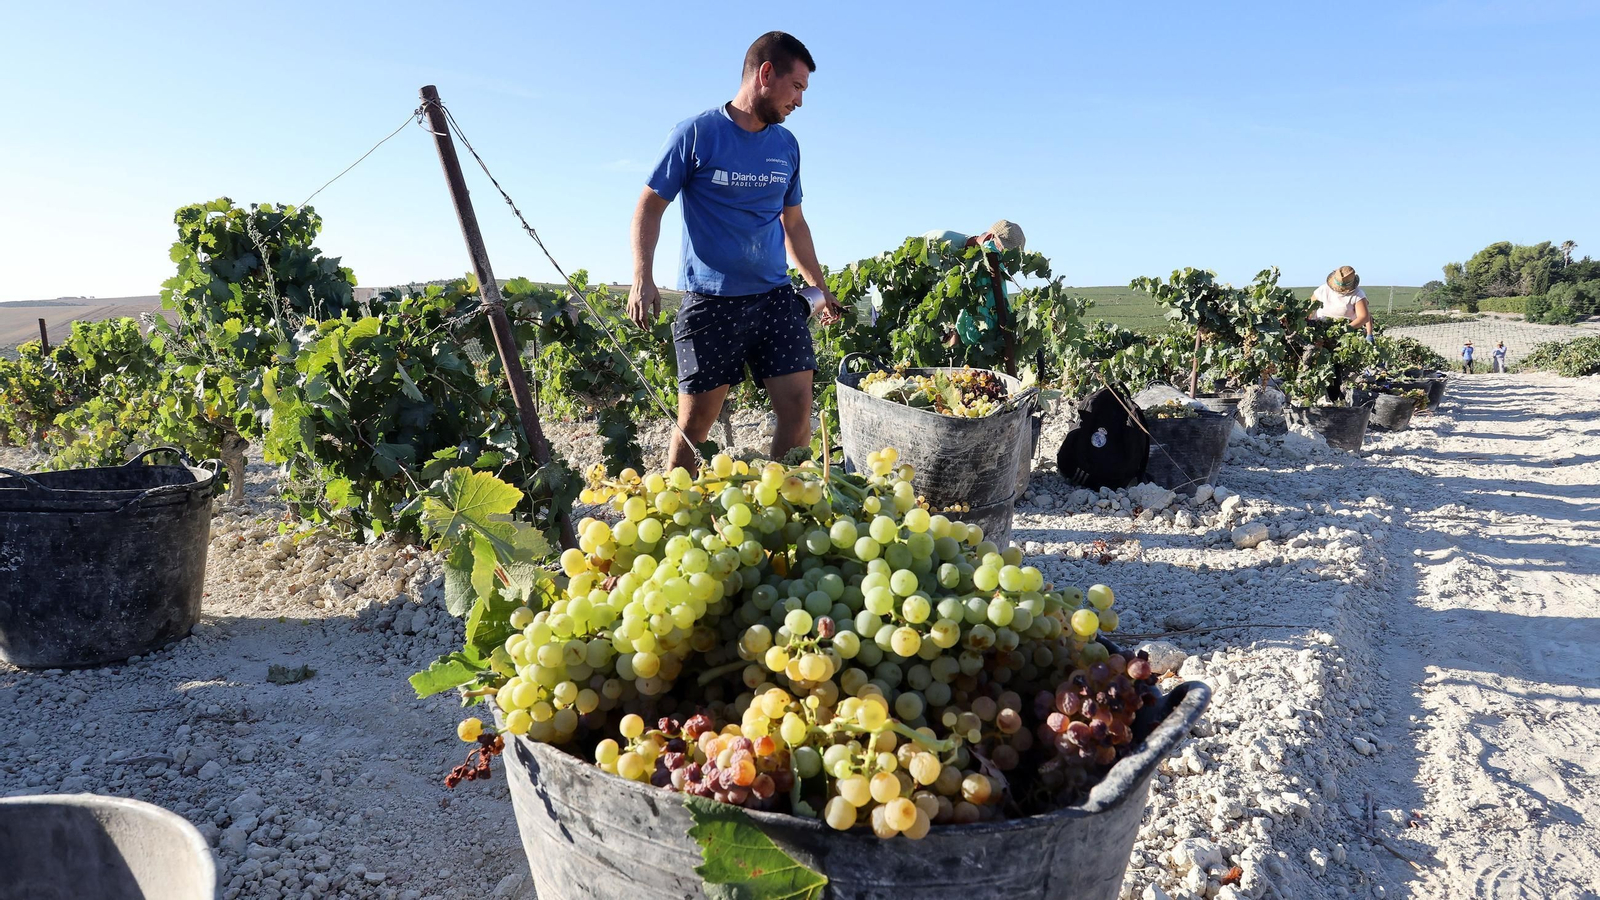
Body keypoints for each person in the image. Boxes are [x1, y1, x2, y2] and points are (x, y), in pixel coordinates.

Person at [627, 32, 842, 473]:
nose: (799, 101)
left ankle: (783, 504)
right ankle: (677, 511)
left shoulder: (786, 146)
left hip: (775, 297)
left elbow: (794, 224)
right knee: (696, 421)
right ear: (766, 74)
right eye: (797, 87)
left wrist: (818, 285)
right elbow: (649, 207)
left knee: (799, 404)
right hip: (711, 303)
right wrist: (642, 276)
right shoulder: (696, 134)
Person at [914, 221, 1026, 343]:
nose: (1005, 262)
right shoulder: (943, 241)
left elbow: (961, 310)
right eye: (1002, 253)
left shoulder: (980, 273)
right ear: (988, 238)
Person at [1308, 265, 1373, 340]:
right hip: (1320, 329)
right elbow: (1310, 308)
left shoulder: (1358, 295)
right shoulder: (1323, 289)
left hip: (1347, 334)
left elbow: (1363, 317)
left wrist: (1345, 329)